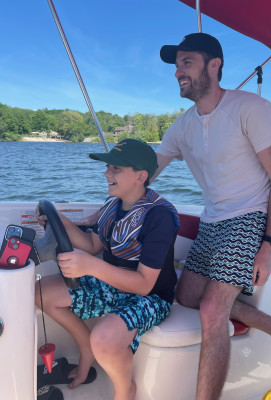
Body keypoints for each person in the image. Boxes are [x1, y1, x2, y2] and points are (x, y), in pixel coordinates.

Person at [151, 32, 271, 400]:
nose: (177, 72)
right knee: (186, 298)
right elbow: (148, 170)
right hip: (213, 221)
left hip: (250, 218)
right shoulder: (182, 125)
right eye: (176, 64)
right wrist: (112, 195)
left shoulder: (250, 108)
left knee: (212, 311)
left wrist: (268, 243)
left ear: (213, 66)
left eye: (187, 62)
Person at [35, 138, 179, 400]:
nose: (106, 174)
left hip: (151, 297)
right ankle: (85, 350)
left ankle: (125, 390)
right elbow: (92, 244)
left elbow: (144, 284)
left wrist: (91, 266)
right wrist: (60, 219)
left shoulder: (159, 216)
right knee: (42, 292)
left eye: (116, 169)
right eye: (108, 167)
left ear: (140, 176)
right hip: (112, 285)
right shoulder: (114, 204)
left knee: (104, 338)